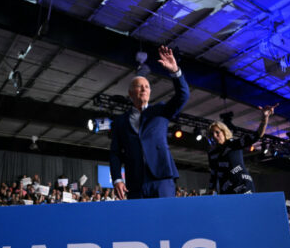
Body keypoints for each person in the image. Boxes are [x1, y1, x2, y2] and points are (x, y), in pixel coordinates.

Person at [110, 45, 190, 199]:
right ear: (130, 92)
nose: (144, 89)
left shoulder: (160, 110)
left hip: (162, 180)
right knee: (140, 223)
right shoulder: (120, 121)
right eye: (139, 86)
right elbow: (115, 153)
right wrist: (117, 179)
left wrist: (175, 71)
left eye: (147, 87)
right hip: (135, 183)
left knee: (165, 220)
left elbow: (183, 96)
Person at [207, 103, 278, 194]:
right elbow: (213, 174)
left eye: (217, 132)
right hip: (225, 191)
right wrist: (211, 189)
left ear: (224, 132)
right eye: (212, 134)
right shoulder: (212, 153)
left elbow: (257, 135)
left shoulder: (233, 144)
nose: (215, 136)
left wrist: (265, 118)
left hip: (243, 187)